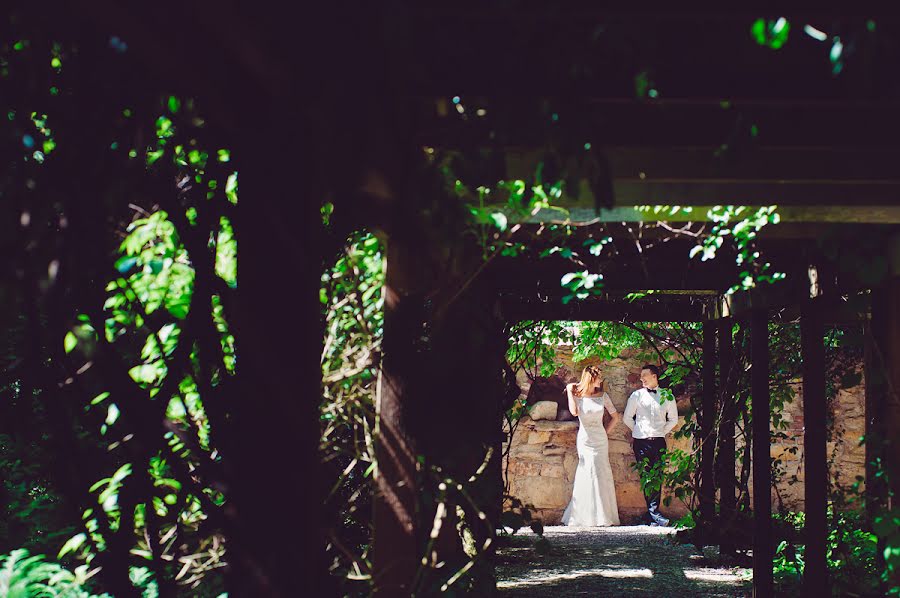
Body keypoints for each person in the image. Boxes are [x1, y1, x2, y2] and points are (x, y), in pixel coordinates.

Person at [560, 365, 621, 527]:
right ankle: (583, 515)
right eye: (599, 377)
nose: (601, 380)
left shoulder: (603, 396)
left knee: (601, 471)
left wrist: (605, 432)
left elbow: (616, 417)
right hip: (585, 439)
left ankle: (603, 515)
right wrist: (569, 390)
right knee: (587, 471)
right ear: (591, 378)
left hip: (600, 439)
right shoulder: (577, 396)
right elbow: (574, 412)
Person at [623, 364, 678, 527]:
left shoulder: (667, 395)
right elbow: (627, 418)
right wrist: (640, 432)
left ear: (654, 376)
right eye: (640, 376)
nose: (641, 379)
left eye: (644, 376)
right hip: (641, 442)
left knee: (657, 477)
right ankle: (654, 515)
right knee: (646, 478)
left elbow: (673, 420)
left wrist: (660, 431)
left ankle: (652, 515)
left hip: (659, 441)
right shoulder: (636, 396)